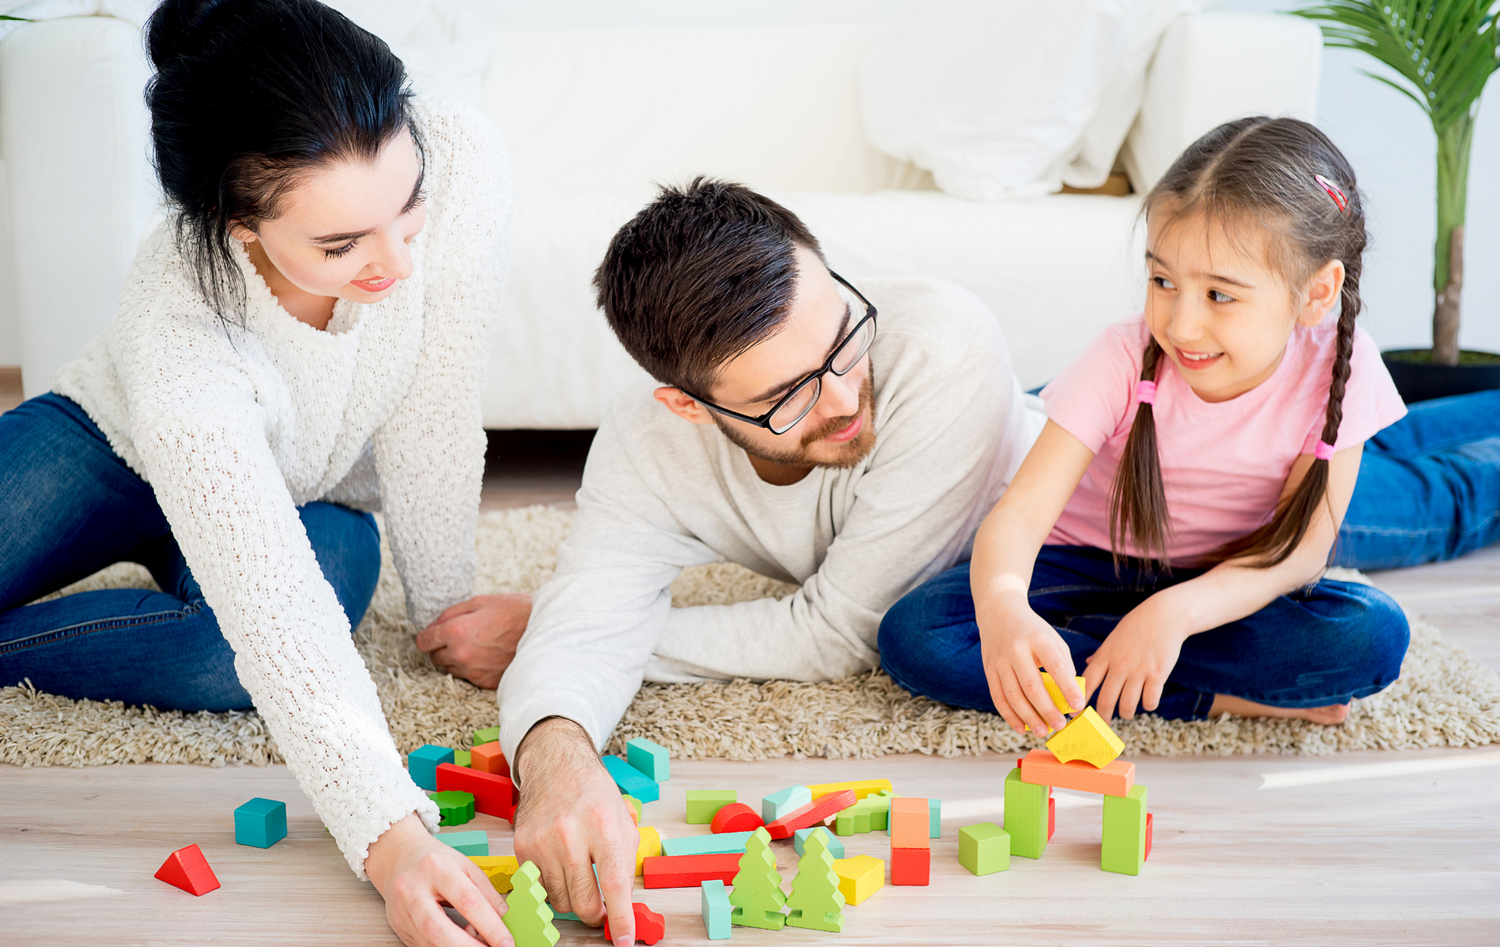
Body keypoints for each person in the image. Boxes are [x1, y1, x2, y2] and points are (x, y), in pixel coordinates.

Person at [0, 1, 514, 944]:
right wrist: (392, 839)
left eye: (408, 212)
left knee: (222, 655)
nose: (397, 261)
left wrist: (447, 609)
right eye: (341, 245)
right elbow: (261, 585)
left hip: (312, 494)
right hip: (116, 446)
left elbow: (436, 404)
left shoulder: (462, 156)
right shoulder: (177, 312)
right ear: (239, 223)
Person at [473, 178, 1044, 940]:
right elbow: (586, 624)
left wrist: (563, 626)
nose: (842, 397)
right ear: (688, 405)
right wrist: (554, 754)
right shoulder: (647, 446)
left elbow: (840, 630)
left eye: (843, 338)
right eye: (789, 395)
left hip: (1055, 500)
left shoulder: (941, 346)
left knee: (918, 636)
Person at [878, 117, 1416, 737]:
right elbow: (1020, 516)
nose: (1182, 325)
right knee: (917, 635)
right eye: (1163, 281)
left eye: (1220, 295)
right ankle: (1210, 698)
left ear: (1316, 294)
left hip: (1223, 589)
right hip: (1084, 568)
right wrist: (1003, 612)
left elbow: (1299, 554)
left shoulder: (1342, 372)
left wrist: (1173, 614)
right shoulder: (1120, 357)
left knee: (1372, 635)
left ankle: (1124, 665)